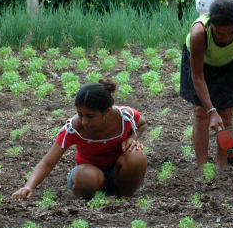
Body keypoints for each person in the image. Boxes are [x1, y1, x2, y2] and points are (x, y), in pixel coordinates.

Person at [11, 80, 146, 200]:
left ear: (107, 112)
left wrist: (132, 138)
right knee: (86, 176)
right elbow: (47, 162)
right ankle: (90, 199)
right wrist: (29, 186)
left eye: (90, 116)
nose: (84, 121)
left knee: (137, 154)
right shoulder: (73, 128)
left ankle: (124, 200)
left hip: (119, 176)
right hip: (90, 179)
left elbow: (141, 124)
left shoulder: (125, 117)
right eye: (80, 115)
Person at [180, 0, 233, 169]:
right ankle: (203, 168)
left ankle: (221, 168)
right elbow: (197, 76)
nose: (227, 38)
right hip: (202, 64)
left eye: (232, 33)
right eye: (220, 33)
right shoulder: (199, 33)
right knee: (200, 113)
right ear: (212, 25)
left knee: (226, 114)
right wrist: (211, 110)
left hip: (231, 63)